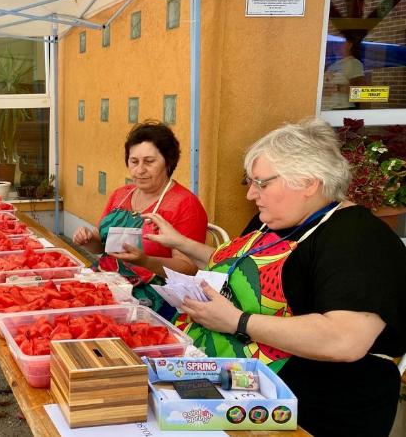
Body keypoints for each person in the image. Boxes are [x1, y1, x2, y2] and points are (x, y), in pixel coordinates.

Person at [144, 118, 406, 436]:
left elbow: (344, 340)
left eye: (262, 183)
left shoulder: (358, 240)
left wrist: (238, 322)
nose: (251, 194)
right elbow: (236, 266)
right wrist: (178, 243)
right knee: (145, 405)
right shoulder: (273, 221)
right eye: (250, 182)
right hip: (242, 377)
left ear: (309, 182)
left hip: (313, 405)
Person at [72, 120, 208, 315]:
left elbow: (188, 269)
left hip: (154, 297)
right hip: (107, 281)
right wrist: (87, 239)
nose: (139, 170)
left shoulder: (185, 204)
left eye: (149, 162)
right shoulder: (121, 195)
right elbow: (103, 247)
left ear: (168, 162)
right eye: (134, 161)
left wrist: (146, 261)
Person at [322, 35, 365, 110]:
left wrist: (337, 88)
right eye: (335, 43)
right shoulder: (332, 65)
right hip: (327, 108)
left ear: (349, 45)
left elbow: (360, 92)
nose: (336, 46)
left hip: (342, 109)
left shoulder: (354, 63)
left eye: (340, 43)